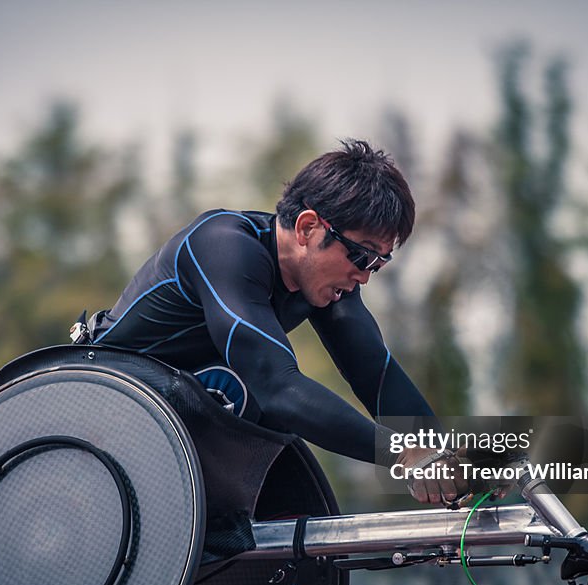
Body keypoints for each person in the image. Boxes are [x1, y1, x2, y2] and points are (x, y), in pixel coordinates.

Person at [71, 139, 466, 505]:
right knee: (252, 394)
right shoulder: (223, 246)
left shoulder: (329, 285)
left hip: (183, 423)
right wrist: (403, 453)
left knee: (256, 415)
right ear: (308, 228)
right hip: (101, 410)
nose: (364, 275)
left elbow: (375, 374)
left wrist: (455, 459)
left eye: (379, 264)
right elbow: (280, 389)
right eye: (362, 256)